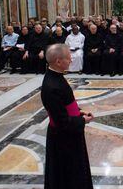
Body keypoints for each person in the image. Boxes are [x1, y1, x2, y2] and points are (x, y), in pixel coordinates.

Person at [41, 44, 94, 189]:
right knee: (68, 175)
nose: (71, 61)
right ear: (58, 61)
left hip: (70, 132)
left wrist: (79, 112)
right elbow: (62, 122)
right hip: (63, 139)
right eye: (68, 59)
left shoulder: (56, 76)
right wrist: (82, 120)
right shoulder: (51, 86)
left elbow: (66, 105)